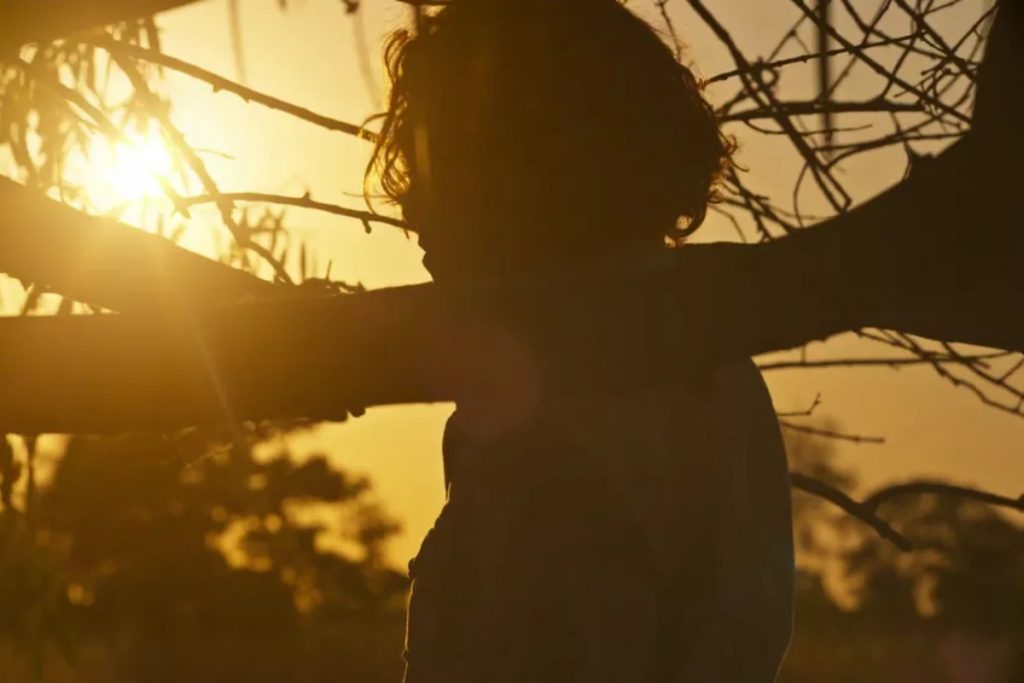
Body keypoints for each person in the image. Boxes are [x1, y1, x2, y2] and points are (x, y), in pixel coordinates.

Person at [365, 1, 795, 681]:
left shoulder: (561, 415)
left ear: (515, 165)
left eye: (439, 157)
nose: (415, 212)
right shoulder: (716, 369)